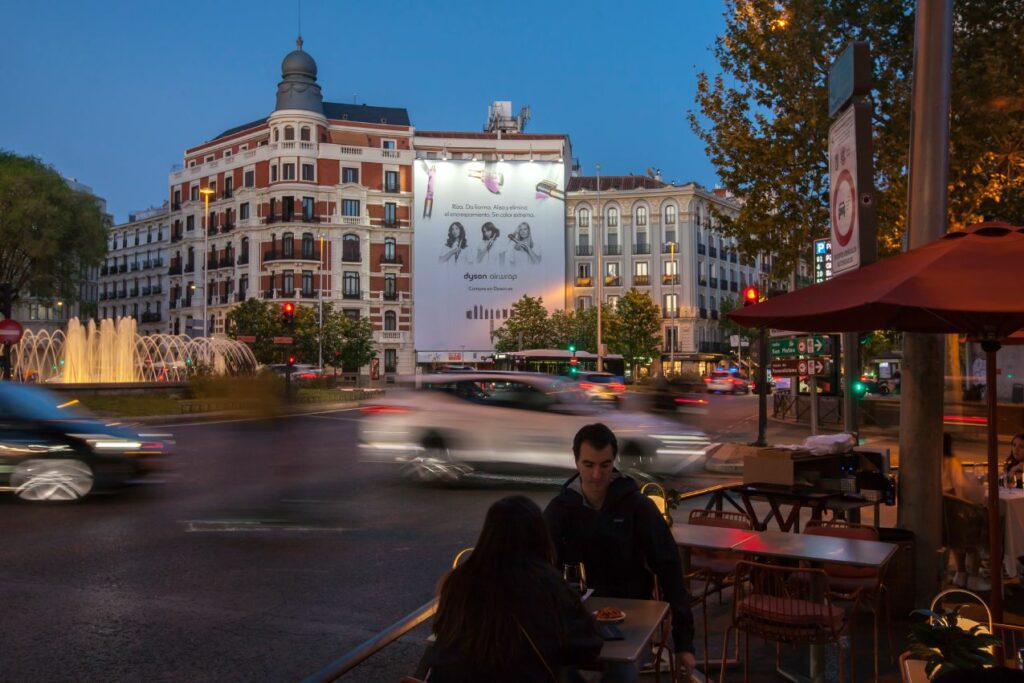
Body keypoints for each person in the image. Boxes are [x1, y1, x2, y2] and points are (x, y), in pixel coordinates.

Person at [544, 423, 697, 680]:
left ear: (614, 462)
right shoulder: (560, 509)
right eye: (588, 465)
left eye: (604, 465)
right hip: (576, 621)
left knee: (621, 674)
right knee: (559, 672)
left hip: (631, 622)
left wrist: (684, 644)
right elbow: (538, 567)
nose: (596, 475)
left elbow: (670, 569)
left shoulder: (637, 507)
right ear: (576, 461)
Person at [427, 495, 602, 682]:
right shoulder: (548, 584)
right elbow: (586, 647)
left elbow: (441, 633)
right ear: (540, 535)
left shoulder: (458, 581)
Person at [942, 432, 987, 589]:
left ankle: (960, 574)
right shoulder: (951, 461)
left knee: (954, 541)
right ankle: (974, 578)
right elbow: (960, 485)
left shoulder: (930, 461)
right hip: (956, 507)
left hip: (943, 511)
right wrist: (968, 506)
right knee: (975, 537)